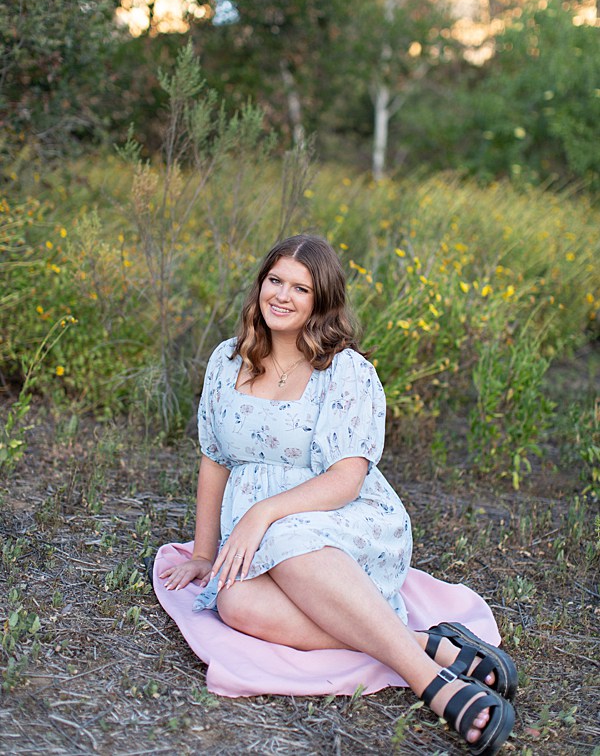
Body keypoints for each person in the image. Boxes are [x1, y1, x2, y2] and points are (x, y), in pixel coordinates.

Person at [159, 234, 516, 754]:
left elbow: (346, 479)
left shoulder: (345, 371)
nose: (281, 295)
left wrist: (262, 514)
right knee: (234, 604)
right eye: (275, 280)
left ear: (320, 302)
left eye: (299, 288)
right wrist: (205, 552)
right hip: (266, 532)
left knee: (287, 536)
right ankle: (426, 642)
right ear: (260, 284)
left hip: (343, 518)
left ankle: (431, 682)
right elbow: (214, 457)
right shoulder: (226, 360)